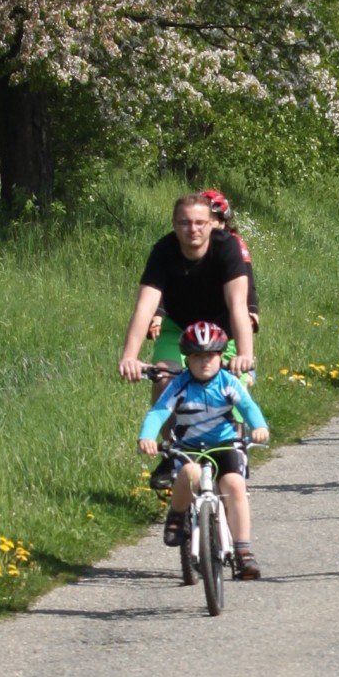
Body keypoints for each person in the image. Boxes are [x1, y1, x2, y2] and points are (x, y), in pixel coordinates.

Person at [138, 321, 269, 579]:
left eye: (210, 355)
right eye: (197, 356)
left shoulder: (228, 382)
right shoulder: (180, 385)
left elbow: (248, 407)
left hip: (225, 444)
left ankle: (243, 551)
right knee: (190, 474)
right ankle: (177, 514)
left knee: (234, 485)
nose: (204, 362)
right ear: (187, 359)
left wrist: (259, 426)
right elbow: (159, 412)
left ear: (221, 355)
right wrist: (147, 436)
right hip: (190, 446)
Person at [119, 193, 256, 386]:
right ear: (174, 225)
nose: (193, 229)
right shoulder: (163, 251)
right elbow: (144, 307)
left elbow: (238, 306)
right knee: (165, 380)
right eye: (185, 223)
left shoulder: (227, 247)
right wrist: (129, 357)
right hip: (178, 329)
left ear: (211, 224)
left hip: (224, 331)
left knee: (232, 388)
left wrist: (245, 356)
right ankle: (168, 416)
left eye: (200, 222)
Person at [201, 188, 261, 333]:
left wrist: (252, 309)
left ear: (222, 221)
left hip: (225, 316)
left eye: (210, 219)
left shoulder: (234, 244)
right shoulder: (187, 242)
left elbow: (247, 278)